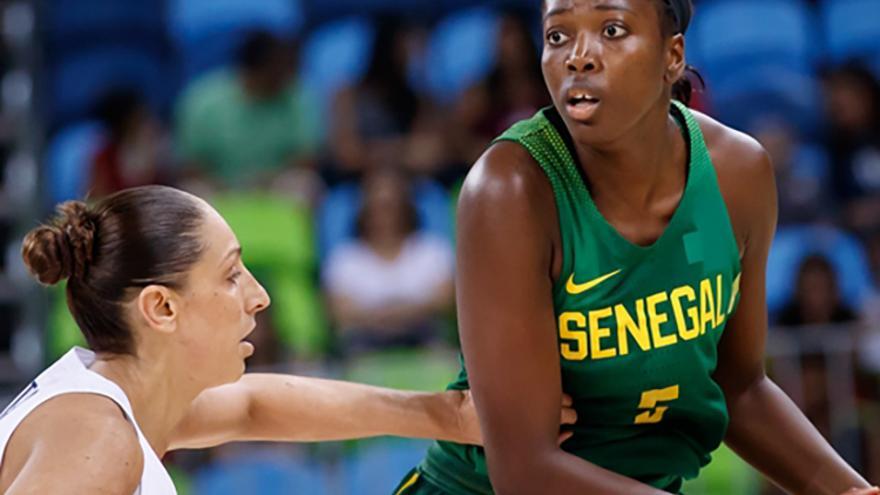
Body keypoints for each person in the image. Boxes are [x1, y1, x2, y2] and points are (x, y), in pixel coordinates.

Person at [395, 1, 879, 494]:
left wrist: (849, 490)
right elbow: (524, 470)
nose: (578, 57)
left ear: (672, 56)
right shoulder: (509, 190)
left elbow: (739, 387)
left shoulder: (738, 175)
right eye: (557, 36)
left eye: (611, 29)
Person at [0, 186, 575, 493]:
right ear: (162, 307)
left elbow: (256, 407)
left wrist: (450, 416)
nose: (259, 296)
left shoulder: (119, 405)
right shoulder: (98, 441)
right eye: (230, 276)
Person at [324, 169, 454, 353]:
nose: (384, 215)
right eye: (377, 206)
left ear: (405, 206)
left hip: (424, 336)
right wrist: (397, 314)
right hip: (365, 342)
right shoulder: (345, 257)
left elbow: (445, 299)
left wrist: (393, 315)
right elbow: (338, 311)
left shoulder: (431, 249)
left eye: (390, 206)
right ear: (364, 209)